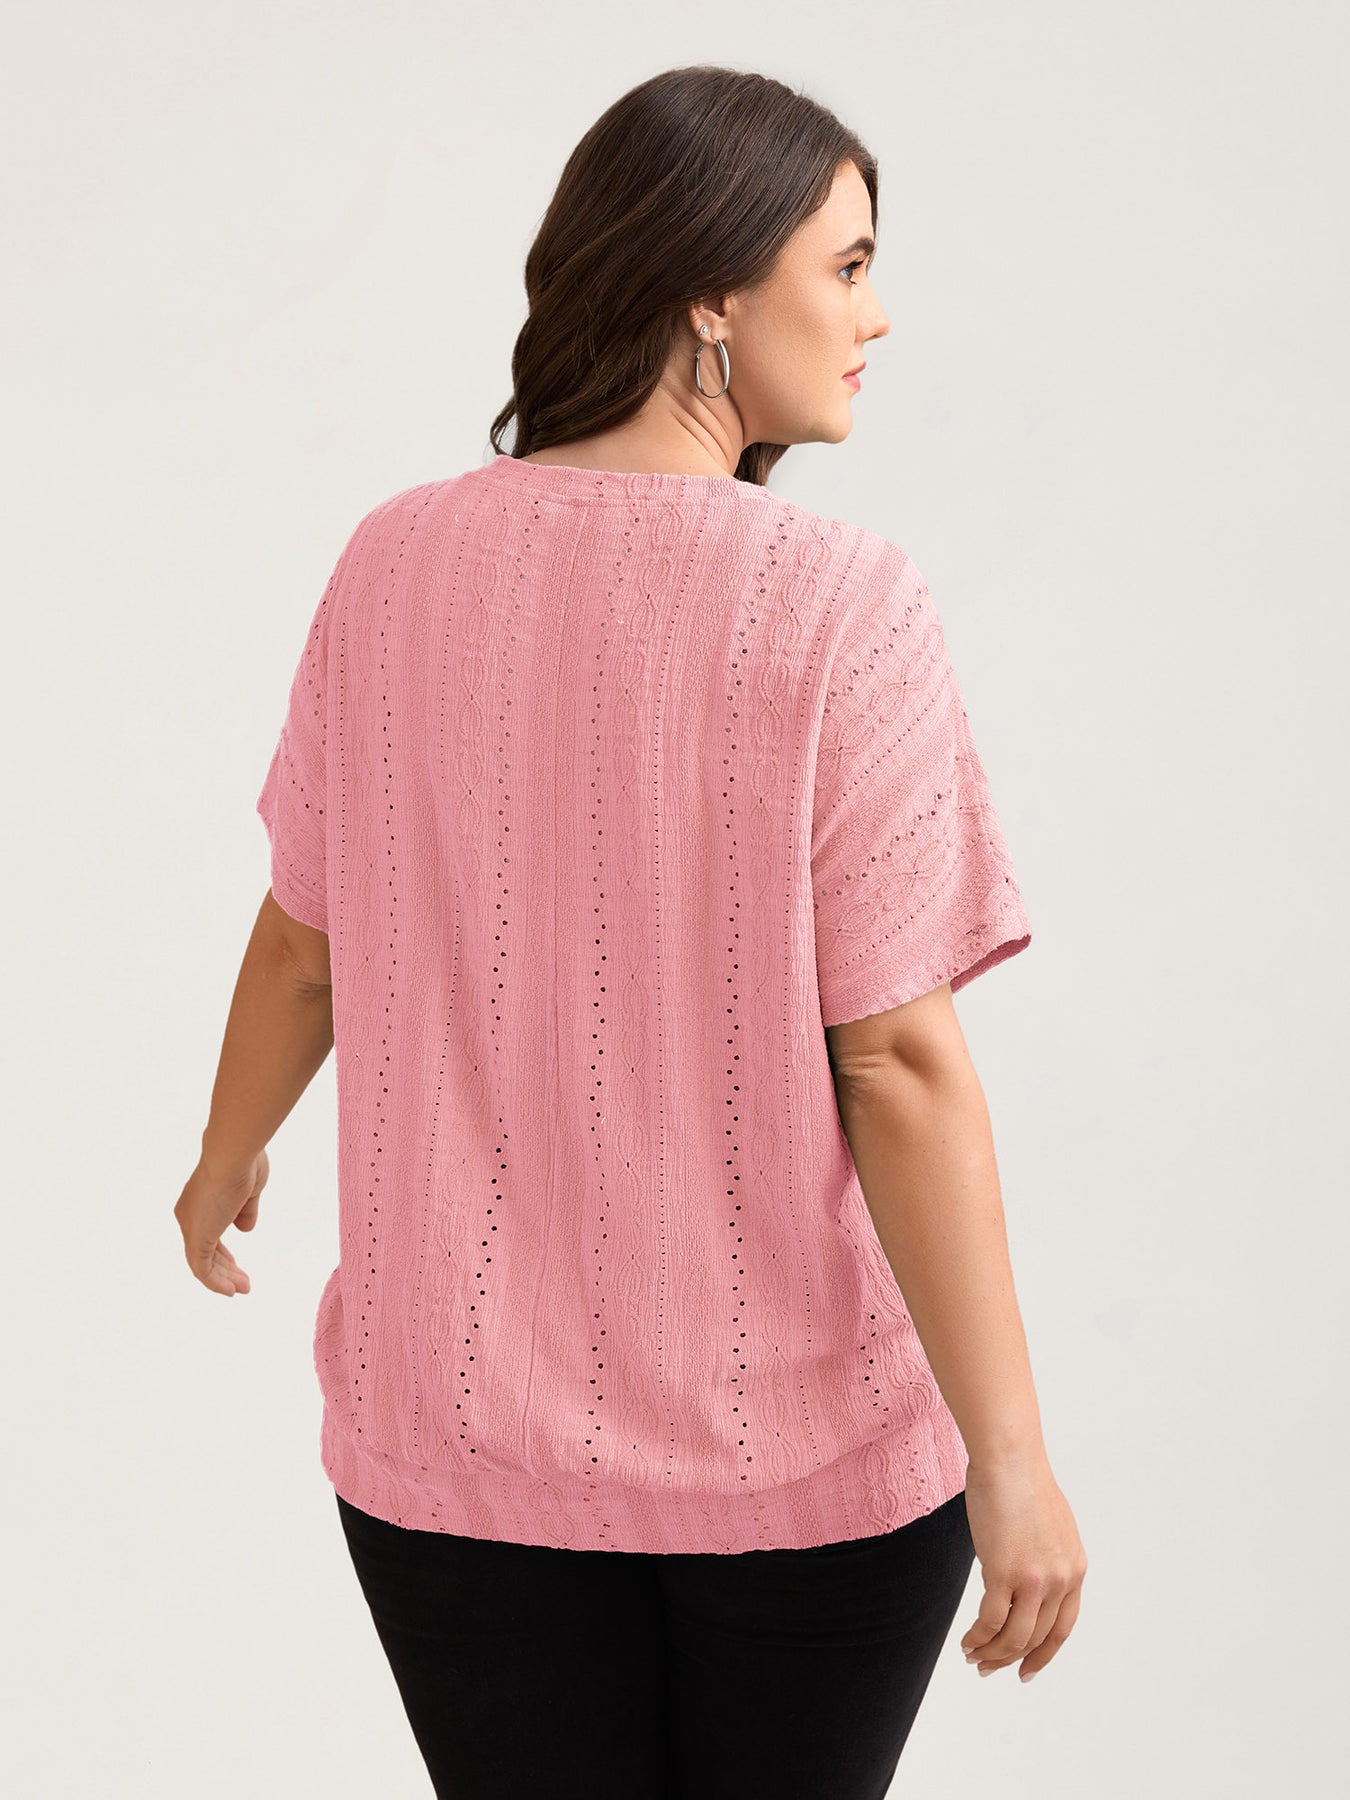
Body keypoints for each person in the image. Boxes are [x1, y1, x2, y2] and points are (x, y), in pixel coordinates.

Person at [175, 63, 1087, 1800]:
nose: (877, 314)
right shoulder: (839, 601)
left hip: (456, 1451)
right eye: (846, 265)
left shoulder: (392, 563)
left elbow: (305, 940)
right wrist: (1011, 1456)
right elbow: (896, 1062)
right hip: (802, 1469)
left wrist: (226, 1151)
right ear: (708, 296)